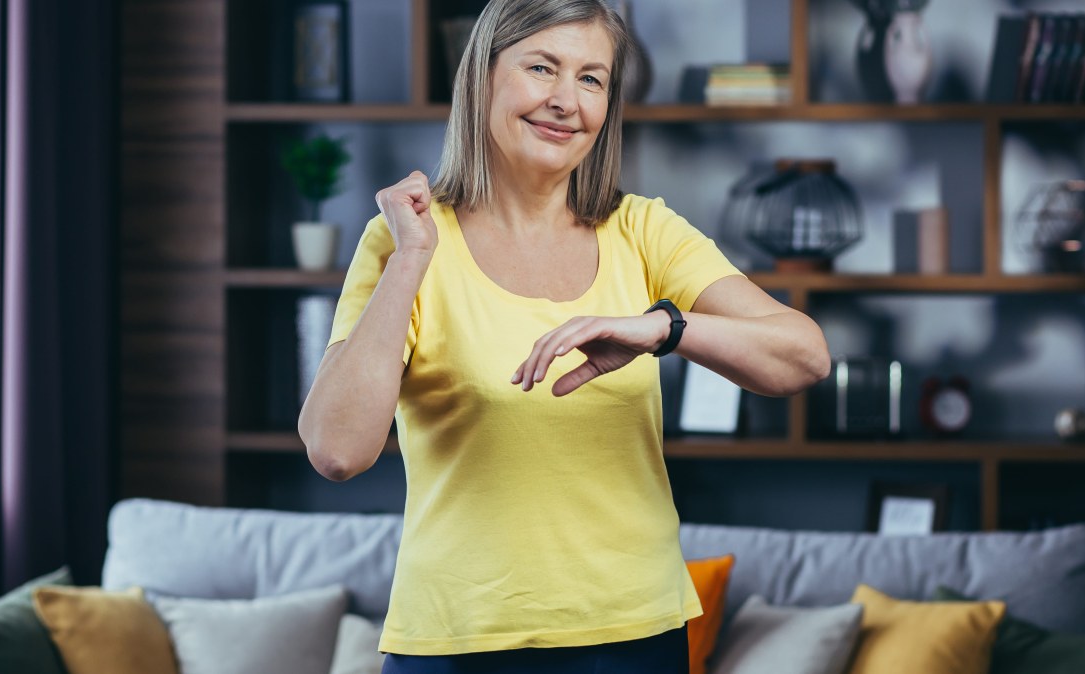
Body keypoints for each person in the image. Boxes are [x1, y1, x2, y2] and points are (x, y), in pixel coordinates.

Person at [297, 0, 830, 671]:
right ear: (482, 78)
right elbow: (337, 450)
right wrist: (410, 259)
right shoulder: (406, 239)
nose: (565, 101)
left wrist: (662, 328)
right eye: (542, 68)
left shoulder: (641, 230)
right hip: (456, 642)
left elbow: (804, 357)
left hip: (632, 638)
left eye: (591, 79)